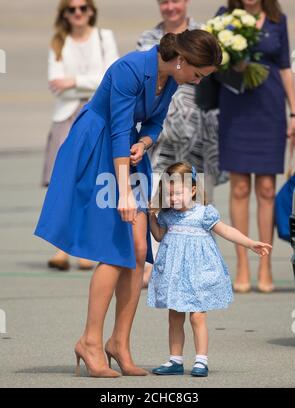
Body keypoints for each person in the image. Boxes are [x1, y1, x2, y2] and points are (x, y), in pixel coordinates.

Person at [34, 30, 222, 378]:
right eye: (198, 74)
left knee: (138, 249)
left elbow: (153, 121)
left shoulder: (172, 78)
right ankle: (90, 341)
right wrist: (123, 191)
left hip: (128, 154)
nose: (197, 81)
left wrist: (147, 141)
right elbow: (119, 129)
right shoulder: (130, 69)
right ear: (182, 60)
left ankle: (118, 342)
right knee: (115, 247)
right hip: (98, 147)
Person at [147, 162, 272, 376]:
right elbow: (159, 236)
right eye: (170, 194)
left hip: (198, 273)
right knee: (174, 316)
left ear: (193, 189)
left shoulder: (203, 213)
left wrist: (250, 243)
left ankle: (201, 360)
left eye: (178, 193)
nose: (174, 198)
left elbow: (226, 231)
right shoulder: (167, 215)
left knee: (197, 317)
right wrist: (150, 216)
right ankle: (175, 360)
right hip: (175, 274)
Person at [137, 0, 226, 287]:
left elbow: (217, 83)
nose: (170, 7)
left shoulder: (206, 34)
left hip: (199, 133)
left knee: (198, 204)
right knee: (162, 200)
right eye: (164, 1)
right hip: (162, 137)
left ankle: (198, 267)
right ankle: (159, 267)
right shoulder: (149, 40)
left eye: (175, 0)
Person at [217, 0, 295, 293]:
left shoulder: (278, 19)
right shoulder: (224, 16)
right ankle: (242, 264)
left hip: (270, 109)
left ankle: (264, 265)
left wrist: (294, 113)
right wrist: (232, 63)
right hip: (236, 108)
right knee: (239, 188)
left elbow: (285, 68)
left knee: (266, 189)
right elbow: (214, 62)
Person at [43, 0, 118, 271]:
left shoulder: (104, 37)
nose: (78, 13)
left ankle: (85, 248)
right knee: (64, 181)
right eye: (71, 9)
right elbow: (55, 84)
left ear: (91, 11)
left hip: (98, 113)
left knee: (93, 181)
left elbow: (111, 76)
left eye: (82, 8)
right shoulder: (58, 42)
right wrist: (87, 82)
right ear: (64, 14)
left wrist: (74, 81)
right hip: (66, 116)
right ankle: (61, 248)